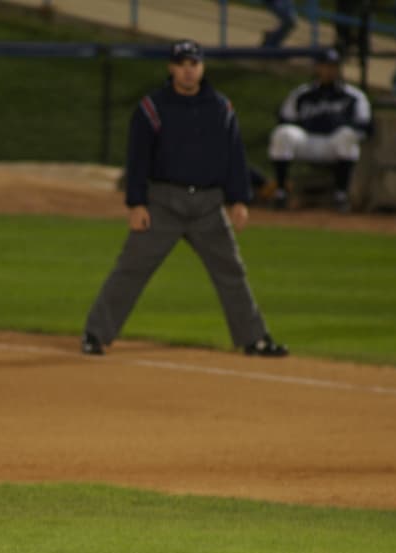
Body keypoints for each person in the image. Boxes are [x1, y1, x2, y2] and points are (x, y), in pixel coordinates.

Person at [81, 40, 287, 358]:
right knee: (132, 268)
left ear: (202, 68)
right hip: (163, 204)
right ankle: (95, 334)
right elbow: (138, 158)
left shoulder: (221, 107)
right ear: (171, 68)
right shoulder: (152, 107)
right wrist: (136, 203)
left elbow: (234, 156)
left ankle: (254, 338)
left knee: (231, 270)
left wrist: (239, 200)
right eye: (182, 65)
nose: (188, 71)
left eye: (194, 64)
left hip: (208, 206)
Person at [267, 48, 373, 212]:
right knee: (283, 133)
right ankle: (281, 192)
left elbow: (365, 125)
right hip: (307, 141)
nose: (329, 70)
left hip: (333, 144)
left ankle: (341, 195)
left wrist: (340, 124)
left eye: (333, 66)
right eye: (325, 66)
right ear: (317, 67)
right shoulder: (302, 94)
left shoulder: (354, 96)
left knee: (347, 135)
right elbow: (285, 119)